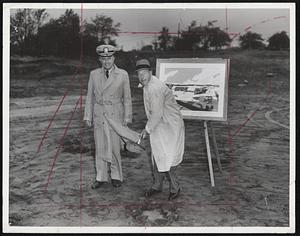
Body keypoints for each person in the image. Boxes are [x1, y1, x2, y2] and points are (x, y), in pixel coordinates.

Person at [84, 44, 132, 189]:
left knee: (115, 147)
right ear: (100, 59)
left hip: (115, 114)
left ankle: (116, 176)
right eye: (103, 59)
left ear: (114, 58)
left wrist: (127, 117)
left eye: (109, 58)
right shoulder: (94, 74)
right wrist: (88, 116)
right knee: (100, 146)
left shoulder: (123, 74)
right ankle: (101, 177)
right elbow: (89, 97)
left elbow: (127, 98)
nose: (107, 62)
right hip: (100, 114)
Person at [136, 59, 185, 200]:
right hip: (160, 124)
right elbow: (155, 114)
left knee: (167, 157)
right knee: (157, 155)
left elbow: (156, 113)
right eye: (139, 73)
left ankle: (175, 188)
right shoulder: (147, 84)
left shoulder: (155, 88)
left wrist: (147, 129)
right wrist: (151, 127)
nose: (142, 76)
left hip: (171, 126)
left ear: (150, 72)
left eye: (144, 73)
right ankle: (157, 186)